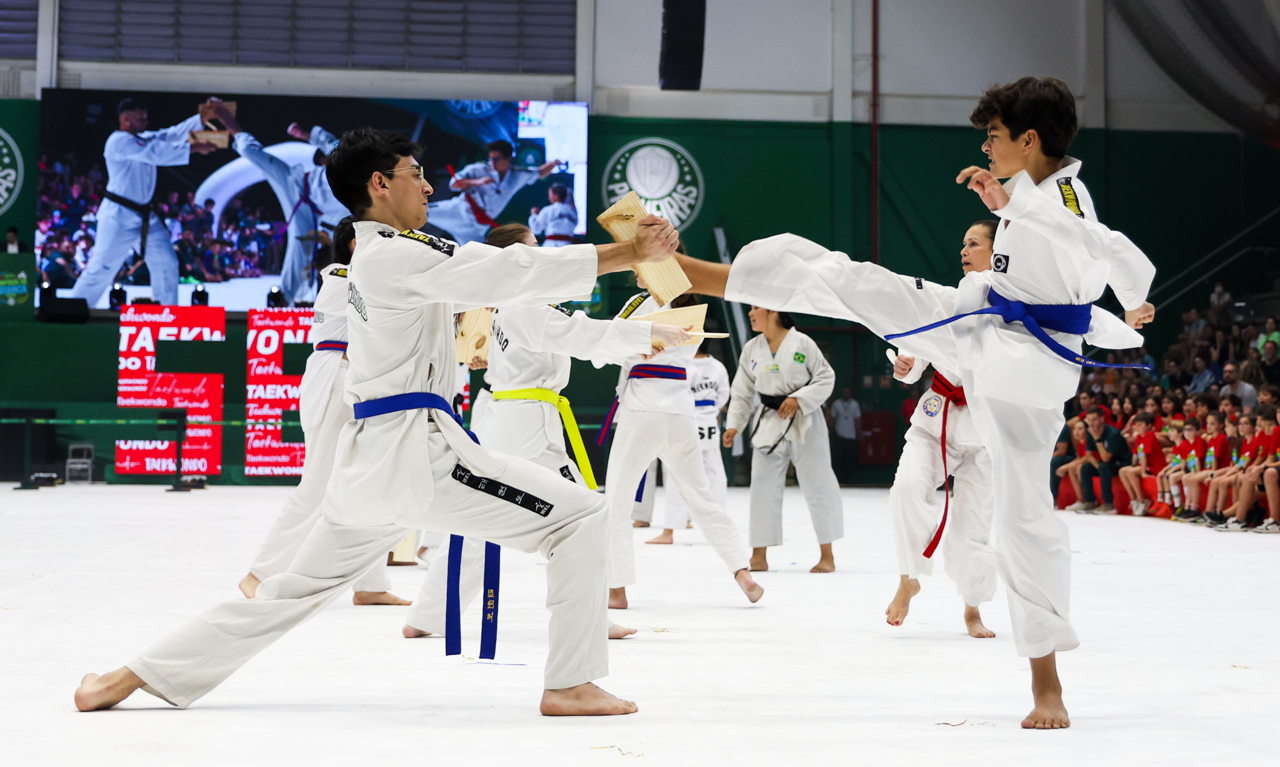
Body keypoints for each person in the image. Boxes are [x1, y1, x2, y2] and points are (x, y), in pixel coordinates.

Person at [74, 127, 681, 717]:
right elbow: (509, 270)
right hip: (416, 454)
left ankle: (126, 678)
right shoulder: (397, 253)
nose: (430, 188)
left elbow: (495, 286)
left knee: (286, 596)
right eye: (416, 175)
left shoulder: (380, 257)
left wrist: (620, 278)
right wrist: (629, 253)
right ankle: (571, 682)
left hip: (371, 465)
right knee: (580, 518)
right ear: (379, 183)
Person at [673, 77, 1157, 729]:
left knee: (1024, 519)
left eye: (993, 136)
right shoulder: (1033, 193)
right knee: (863, 285)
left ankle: (1048, 684)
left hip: (1025, 373)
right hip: (983, 324)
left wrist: (1133, 298)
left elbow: (1110, 251)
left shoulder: (1062, 200)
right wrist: (1007, 201)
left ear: (1029, 139)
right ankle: (698, 274)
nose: (985, 147)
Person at [401, 222, 686, 641]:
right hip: (527, 427)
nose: (540, 254)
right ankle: (589, 619)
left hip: (513, 421)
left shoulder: (505, 303)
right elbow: (578, 334)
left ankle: (428, 616)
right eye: (532, 248)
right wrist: (647, 333)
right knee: (584, 515)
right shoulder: (522, 303)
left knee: (480, 524)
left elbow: (572, 338)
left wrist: (638, 342)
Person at [238, 216, 409, 606]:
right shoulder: (344, 279)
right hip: (337, 376)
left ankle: (370, 583)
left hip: (353, 380)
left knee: (368, 487)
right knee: (317, 487)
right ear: (355, 244)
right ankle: (258, 574)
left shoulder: (348, 279)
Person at [600, 290, 762, 611]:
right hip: (680, 409)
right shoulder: (692, 307)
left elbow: (606, 344)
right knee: (702, 497)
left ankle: (617, 590)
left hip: (644, 406)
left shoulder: (640, 302)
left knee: (617, 502)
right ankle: (742, 571)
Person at [884, 219, 999, 639]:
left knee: (972, 531)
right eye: (963, 244)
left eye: (974, 244)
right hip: (936, 422)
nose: (964, 251)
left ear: (999, 251)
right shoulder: (948, 302)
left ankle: (972, 609)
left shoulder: (1017, 309)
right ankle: (909, 577)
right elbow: (917, 348)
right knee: (906, 490)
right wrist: (907, 363)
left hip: (984, 435)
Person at [723, 307, 843, 573]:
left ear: (773, 311)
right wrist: (734, 425)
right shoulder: (752, 348)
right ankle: (758, 555)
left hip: (805, 418)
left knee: (818, 483)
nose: (750, 313)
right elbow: (741, 391)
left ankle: (827, 556)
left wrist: (799, 399)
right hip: (769, 419)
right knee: (762, 486)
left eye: (755, 308)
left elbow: (826, 377)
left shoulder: (802, 343)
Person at [69, 97, 219, 308]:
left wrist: (202, 118)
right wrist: (194, 148)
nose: (145, 122)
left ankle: (167, 312)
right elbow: (156, 153)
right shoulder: (118, 141)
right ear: (125, 119)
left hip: (145, 217)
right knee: (102, 268)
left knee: (166, 262)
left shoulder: (144, 138)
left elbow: (171, 134)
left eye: (146, 118)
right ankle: (73, 309)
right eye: (140, 119)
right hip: (118, 216)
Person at [217, 108, 350, 306]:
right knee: (250, 152)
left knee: (301, 248)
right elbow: (326, 140)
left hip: (314, 215)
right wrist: (302, 134)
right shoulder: (346, 157)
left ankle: (285, 299)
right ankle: (225, 118)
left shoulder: (369, 200)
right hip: (295, 184)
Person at [645, 343, 732, 545]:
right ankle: (720, 529)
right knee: (715, 475)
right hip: (709, 422)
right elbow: (723, 396)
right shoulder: (717, 367)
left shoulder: (680, 363)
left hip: (686, 420)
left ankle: (669, 531)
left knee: (677, 474)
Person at [427, 140, 560, 245]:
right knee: (422, 211)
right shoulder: (478, 169)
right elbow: (454, 184)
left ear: (508, 158)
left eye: (496, 159)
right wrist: (477, 182)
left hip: (477, 228)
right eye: (491, 159)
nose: (492, 163)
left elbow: (540, 172)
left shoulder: (517, 175)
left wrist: (555, 163)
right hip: (458, 211)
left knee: (477, 259)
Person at [1067, 406, 1131, 514]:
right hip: (1106, 463)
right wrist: (1098, 467)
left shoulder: (1113, 433)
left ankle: (1109, 504)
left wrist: (1097, 438)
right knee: (1085, 467)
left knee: (1104, 466)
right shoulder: (1090, 431)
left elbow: (1106, 458)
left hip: (1122, 462)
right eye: (1089, 420)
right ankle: (1090, 501)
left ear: (1102, 419)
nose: (1091, 423)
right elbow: (1089, 455)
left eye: (1094, 419)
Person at [1173, 411, 1229, 522]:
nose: (1208, 426)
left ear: (1221, 425)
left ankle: (1195, 508)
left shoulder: (1221, 438)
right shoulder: (1212, 439)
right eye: (1207, 423)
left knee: (1193, 479)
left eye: (1212, 424)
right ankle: (1188, 507)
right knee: (1187, 478)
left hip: (1218, 469)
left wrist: (1212, 473)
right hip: (1209, 468)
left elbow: (1215, 458)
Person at [1203, 414, 1257, 528]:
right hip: (1240, 470)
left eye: (1245, 424)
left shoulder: (1253, 442)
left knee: (1224, 482)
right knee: (1217, 481)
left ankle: (1224, 514)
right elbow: (1240, 463)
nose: (1240, 427)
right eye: (1239, 424)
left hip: (1247, 471)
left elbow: (1247, 463)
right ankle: (1211, 513)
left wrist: (1230, 471)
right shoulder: (1243, 442)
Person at [1118, 412, 1165, 516]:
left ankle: (1142, 501)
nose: (1137, 427)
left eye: (1140, 425)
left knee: (1131, 472)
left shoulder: (1150, 435)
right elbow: (1136, 454)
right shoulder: (1140, 436)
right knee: (1122, 471)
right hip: (1145, 465)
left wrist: (1143, 472)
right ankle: (1134, 500)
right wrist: (1132, 465)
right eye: (1136, 425)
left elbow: (1144, 455)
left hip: (1155, 466)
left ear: (1148, 426)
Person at [828, 387, 862, 484]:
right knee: (838, 459)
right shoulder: (836, 404)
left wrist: (859, 433)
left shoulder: (855, 404)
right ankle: (838, 480)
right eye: (844, 392)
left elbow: (857, 420)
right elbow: (832, 419)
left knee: (850, 460)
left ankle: (850, 480)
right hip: (839, 435)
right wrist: (830, 432)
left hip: (851, 436)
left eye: (848, 392)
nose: (846, 394)